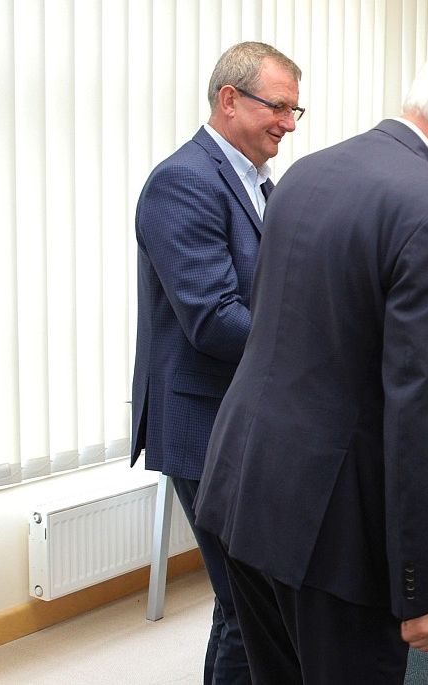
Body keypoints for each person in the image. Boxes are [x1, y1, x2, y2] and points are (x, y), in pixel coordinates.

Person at [193, 40, 428, 685]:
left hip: (246, 489)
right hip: (334, 527)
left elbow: (310, 336)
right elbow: (420, 423)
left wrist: (402, 396)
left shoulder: (309, 172)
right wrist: (421, 589)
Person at [129, 41, 302, 685]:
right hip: (207, 424)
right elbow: (212, 319)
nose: (288, 123)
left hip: (248, 416)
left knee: (251, 603)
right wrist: (313, 349)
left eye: (295, 110)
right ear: (229, 99)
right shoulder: (185, 180)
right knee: (247, 604)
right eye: (277, 107)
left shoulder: (258, 181)